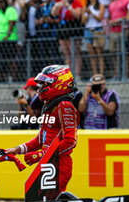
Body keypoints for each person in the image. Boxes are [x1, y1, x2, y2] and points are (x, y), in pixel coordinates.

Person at [5, 65, 80, 193]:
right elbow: (41, 139)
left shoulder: (64, 105)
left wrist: (41, 155)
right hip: (48, 164)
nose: (41, 87)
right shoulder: (50, 106)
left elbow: (71, 141)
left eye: (45, 83)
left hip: (59, 165)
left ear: (59, 83)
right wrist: (18, 149)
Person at [51, 0, 83, 80]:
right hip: (63, 28)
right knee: (67, 54)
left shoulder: (75, 2)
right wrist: (57, 6)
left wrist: (69, 7)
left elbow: (78, 15)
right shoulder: (61, 1)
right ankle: (69, 75)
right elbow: (54, 14)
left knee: (75, 53)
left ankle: (77, 75)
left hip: (73, 27)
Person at [81, 0, 105, 76]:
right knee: (92, 55)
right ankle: (95, 75)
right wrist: (86, 14)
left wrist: (91, 13)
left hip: (98, 30)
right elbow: (83, 21)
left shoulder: (100, 6)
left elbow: (100, 18)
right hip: (88, 31)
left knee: (99, 54)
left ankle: (101, 74)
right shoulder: (85, 7)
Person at [108, 0, 129, 79]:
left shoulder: (126, 0)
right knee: (114, 52)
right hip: (113, 30)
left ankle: (126, 74)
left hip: (123, 29)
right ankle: (116, 74)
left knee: (125, 52)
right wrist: (111, 22)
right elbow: (109, 17)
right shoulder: (111, 2)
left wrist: (120, 19)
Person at [36, 0, 59, 67]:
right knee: (43, 55)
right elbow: (36, 20)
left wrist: (51, 21)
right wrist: (40, 21)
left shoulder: (55, 6)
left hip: (53, 34)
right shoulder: (41, 6)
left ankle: (57, 73)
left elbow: (59, 20)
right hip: (43, 34)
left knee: (54, 54)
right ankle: (45, 73)